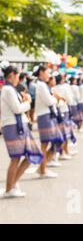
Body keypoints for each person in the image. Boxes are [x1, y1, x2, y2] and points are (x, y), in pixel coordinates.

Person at [1, 66, 43, 198]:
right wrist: (28, 102)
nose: (19, 78)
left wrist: (25, 101)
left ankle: (12, 184)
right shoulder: (8, 89)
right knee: (16, 158)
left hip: (18, 125)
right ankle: (9, 188)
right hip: (14, 125)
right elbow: (17, 109)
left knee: (30, 155)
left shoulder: (11, 89)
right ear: (12, 75)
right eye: (18, 75)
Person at [34, 65, 65, 178]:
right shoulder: (41, 85)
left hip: (49, 115)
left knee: (58, 140)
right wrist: (55, 98)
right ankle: (43, 169)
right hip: (44, 116)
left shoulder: (44, 86)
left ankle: (43, 167)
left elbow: (51, 100)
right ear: (41, 72)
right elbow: (49, 101)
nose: (49, 75)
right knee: (45, 144)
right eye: (47, 72)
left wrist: (54, 99)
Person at [54, 73, 76, 160]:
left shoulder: (54, 88)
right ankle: (63, 152)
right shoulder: (64, 87)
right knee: (65, 133)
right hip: (64, 110)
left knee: (62, 132)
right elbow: (70, 99)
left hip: (58, 111)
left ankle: (65, 151)